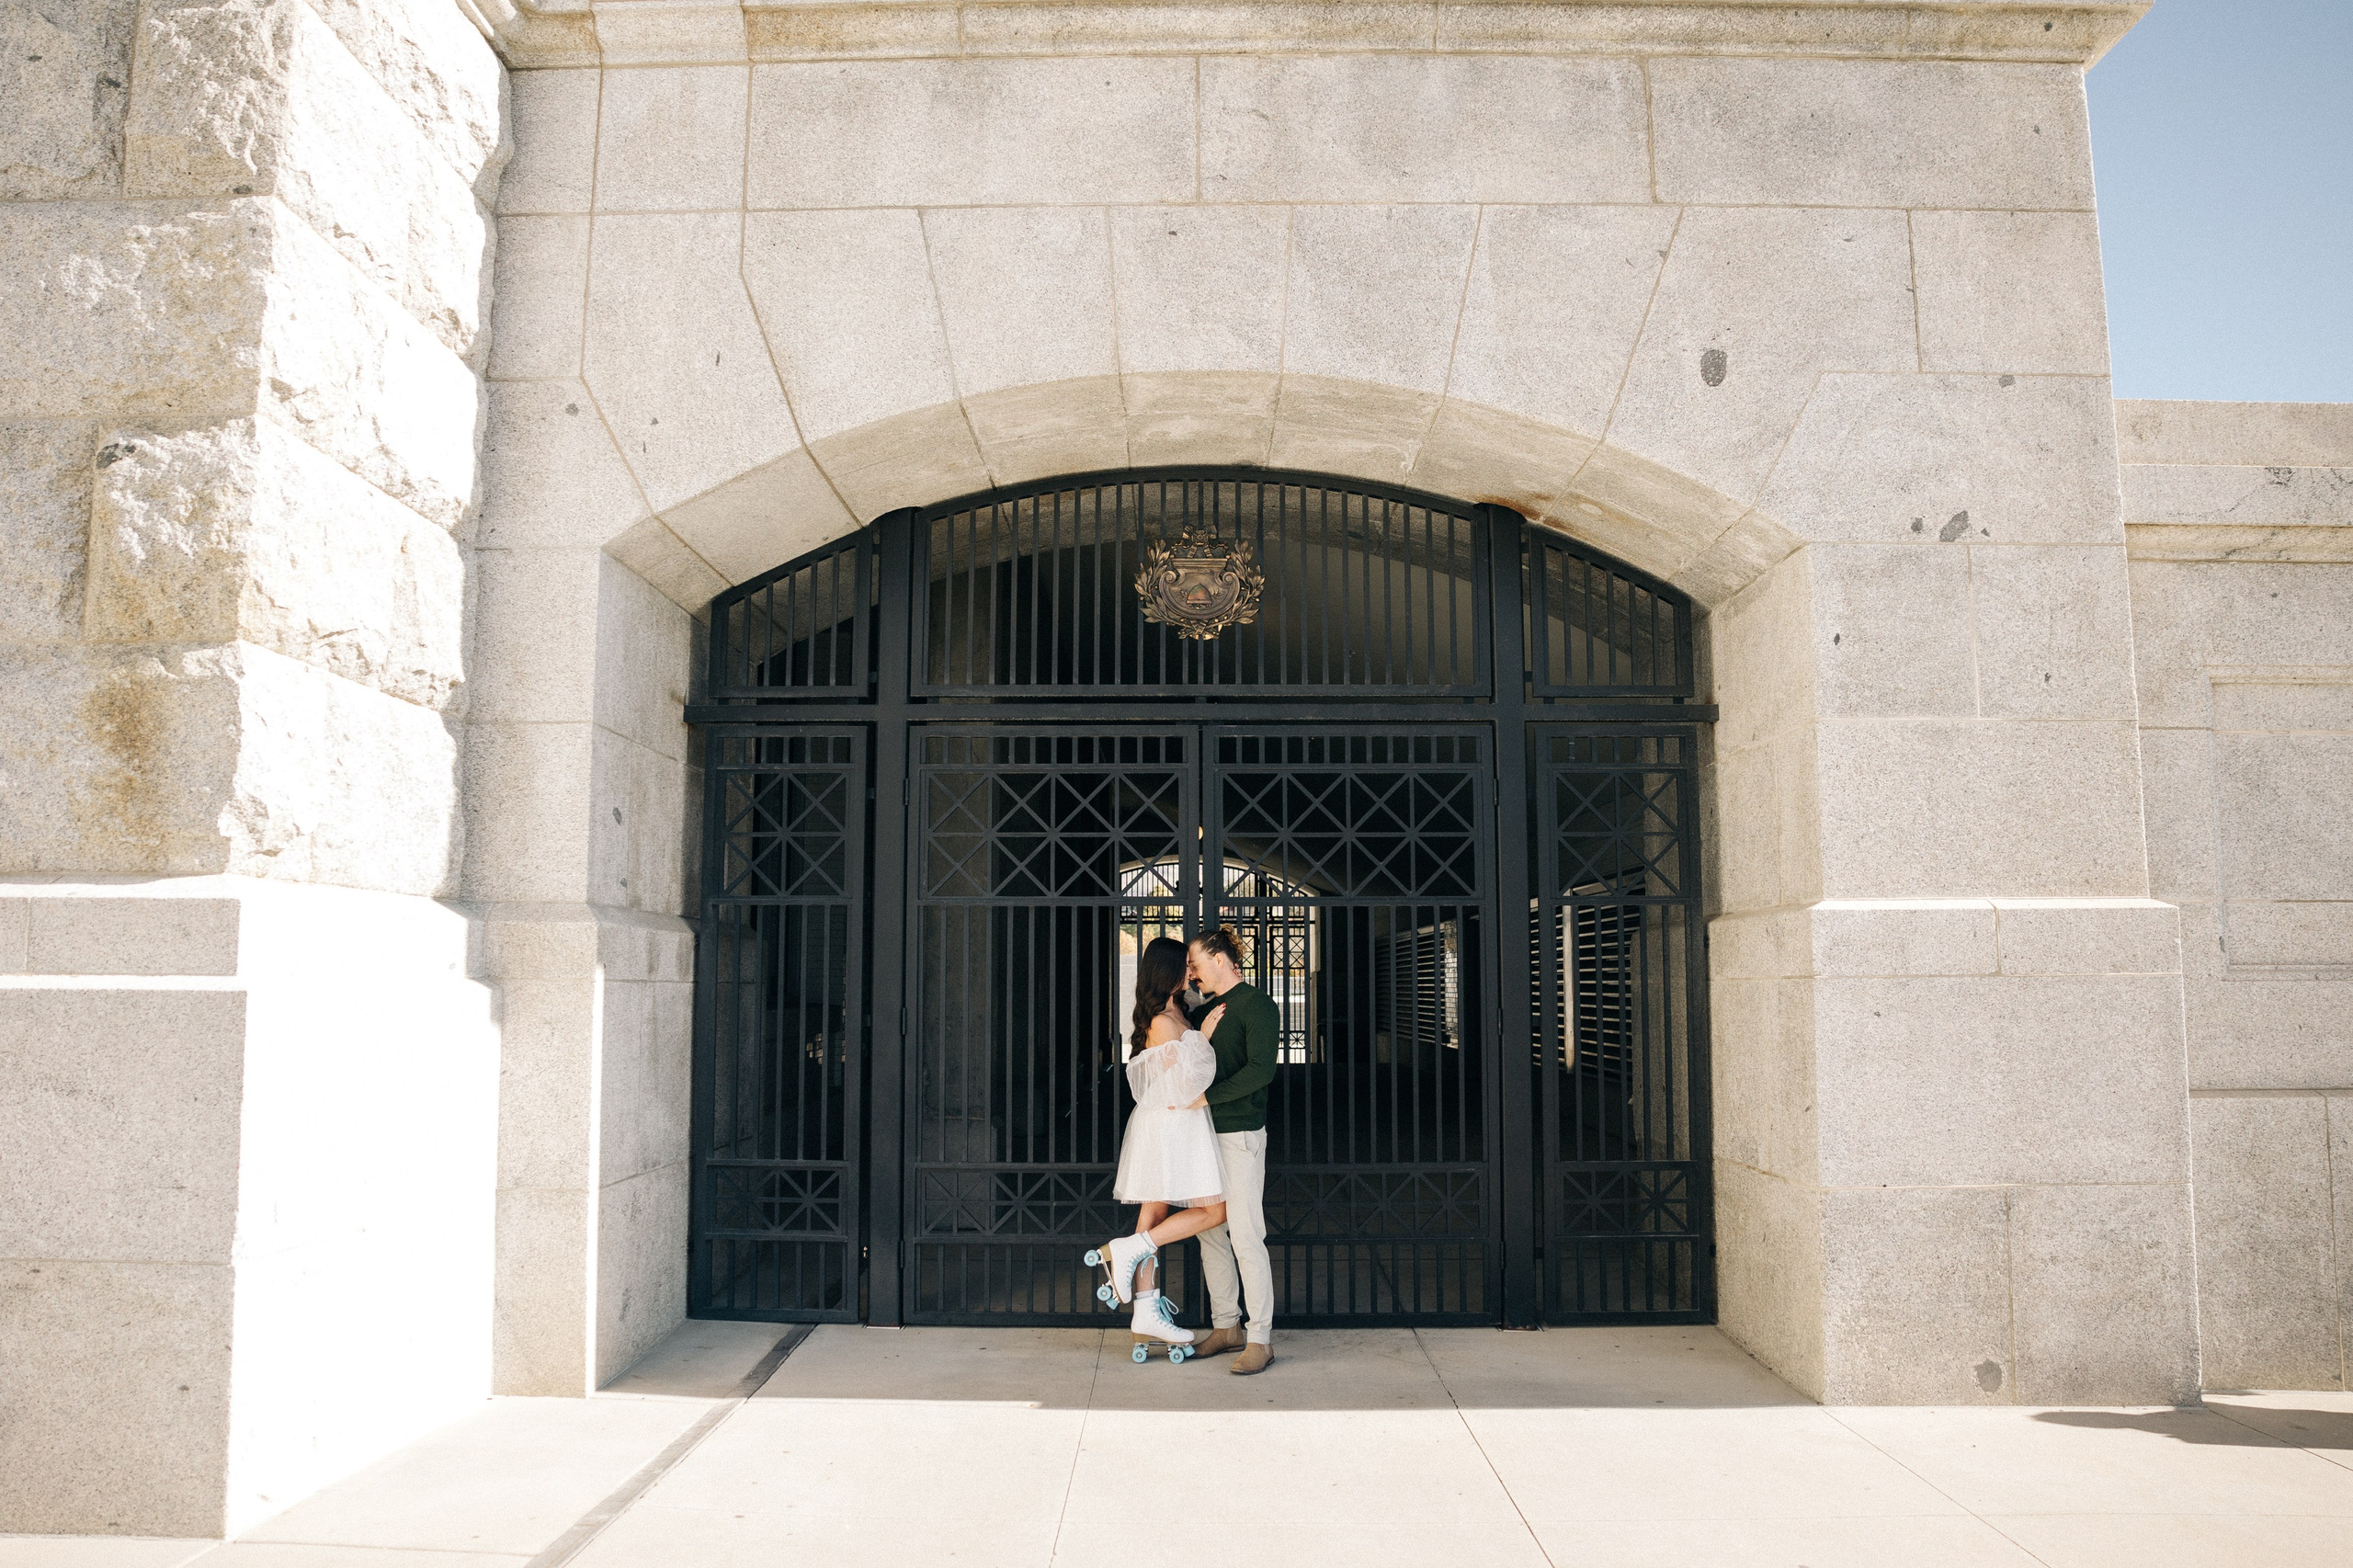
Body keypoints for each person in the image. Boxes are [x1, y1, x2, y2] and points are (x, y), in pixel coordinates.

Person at [1087, 937, 1228, 1352]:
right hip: (1170, 1124)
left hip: (1180, 1123)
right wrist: (1202, 1036)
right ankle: (1132, 1251)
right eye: (1186, 965)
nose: (1191, 971)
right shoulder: (1162, 1022)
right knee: (1214, 1211)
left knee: (1154, 1214)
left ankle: (1145, 1308)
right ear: (1167, 971)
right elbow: (1185, 1083)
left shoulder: (1177, 1010)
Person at [1185, 925, 1280, 1375]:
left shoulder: (1257, 1005)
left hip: (1239, 1135)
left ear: (1220, 959)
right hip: (1204, 1136)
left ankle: (1260, 1338)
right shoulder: (1207, 1010)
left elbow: (1262, 1071)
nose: (1192, 973)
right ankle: (1226, 1327)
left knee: (1245, 1234)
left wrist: (1207, 1098)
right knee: (1210, 1233)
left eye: (1196, 964)